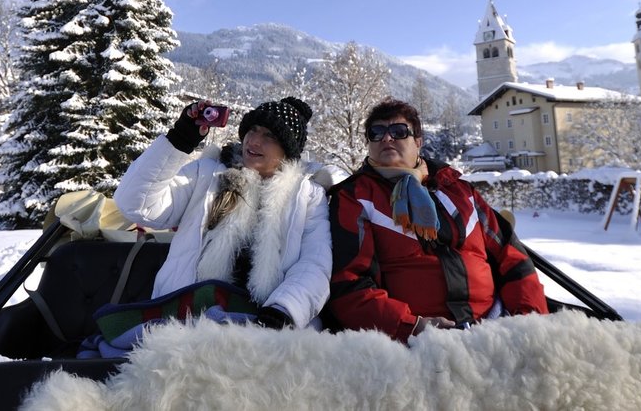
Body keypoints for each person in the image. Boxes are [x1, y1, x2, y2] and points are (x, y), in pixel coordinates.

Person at [326, 98, 548, 342]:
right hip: (418, 339)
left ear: (418, 141)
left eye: (398, 132)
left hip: (495, 323)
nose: (386, 139)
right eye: (376, 133)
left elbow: (512, 257)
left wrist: (531, 322)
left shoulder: (460, 191)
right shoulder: (355, 197)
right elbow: (349, 284)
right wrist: (412, 327)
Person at [113, 96, 331, 330]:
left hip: (266, 324)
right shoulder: (207, 175)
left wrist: (285, 309)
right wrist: (179, 140)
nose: (254, 141)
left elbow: (314, 263)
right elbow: (136, 204)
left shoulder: (307, 196)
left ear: (287, 151)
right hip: (187, 320)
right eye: (253, 130)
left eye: (269, 136)